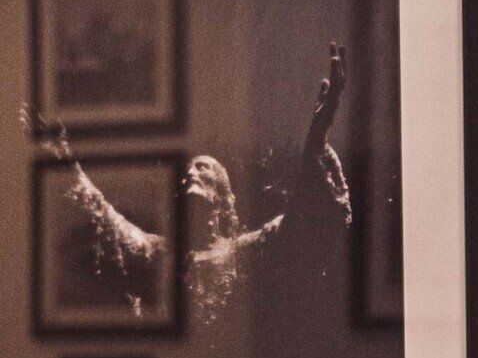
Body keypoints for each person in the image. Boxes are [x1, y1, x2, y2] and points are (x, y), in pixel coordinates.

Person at [28, 41, 355, 332]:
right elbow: (103, 214)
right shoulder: (156, 251)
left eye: (202, 167)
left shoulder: (246, 250)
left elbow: (308, 219)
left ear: (223, 196)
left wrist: (316, 139)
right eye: (186, 171)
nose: (190, 173)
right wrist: (64, 159)